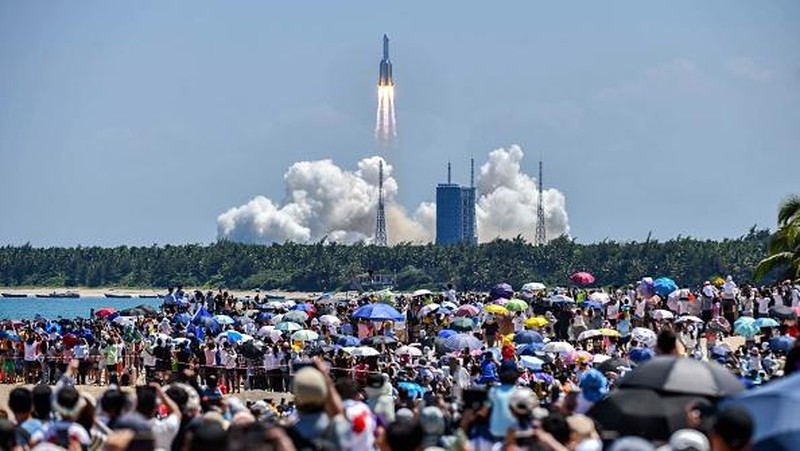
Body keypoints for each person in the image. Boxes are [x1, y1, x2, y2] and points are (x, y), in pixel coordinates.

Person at [284, 362, 349, 450]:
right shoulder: (339, 427)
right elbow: (340, 411)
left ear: (296, 396)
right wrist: (326, 377)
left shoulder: (286, 437)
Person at [135, 384, 182, 451]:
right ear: (156, 407)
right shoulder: (164, 427)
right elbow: (176, 411)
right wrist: (161, 393)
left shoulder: (128, 428)